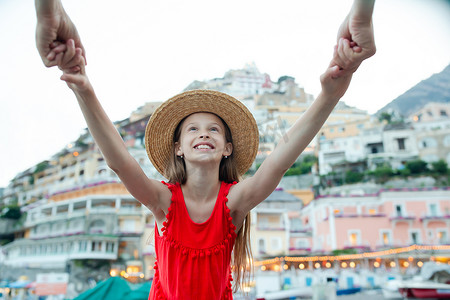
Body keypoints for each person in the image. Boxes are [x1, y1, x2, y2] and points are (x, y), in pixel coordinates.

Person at [36, 1, 375, 299]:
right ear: (179, 148)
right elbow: (119, 162)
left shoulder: (233, 204)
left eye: (214, 129)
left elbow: (280, 159)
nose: (204, 134)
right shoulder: (163, 202)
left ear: (227, 148)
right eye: (192, 129)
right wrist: (83, 87)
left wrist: (330, 94)